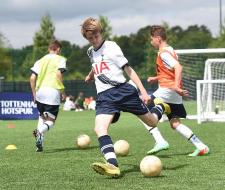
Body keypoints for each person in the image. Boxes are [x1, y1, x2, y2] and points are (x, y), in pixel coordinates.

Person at [81, 17, 171, 177]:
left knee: (152, 122)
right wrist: (90, 75)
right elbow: (96, 65)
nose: (94, 40)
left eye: (96, 36)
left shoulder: (111, 47)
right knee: (99, 128)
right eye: (90, 38)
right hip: (104, 97)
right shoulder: (90, 51)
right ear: (87, 38)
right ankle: (113, 165)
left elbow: (128, 70)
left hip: (123, 92)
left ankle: (161, 107)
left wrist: (143, 92)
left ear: (100, 33)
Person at [142, 25, 209, 157]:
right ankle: (201, 146)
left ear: (158, 38)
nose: (151, 42)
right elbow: (171, 71)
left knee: (143, 109)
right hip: (173, 92)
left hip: (168, 89)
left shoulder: (164, 53)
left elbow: (178, 67)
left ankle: (159, 140)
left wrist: (177, 86)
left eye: (152, 39)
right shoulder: (171, 50)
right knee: (175, 123)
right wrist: (156, 78)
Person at [30, 39, 67, 152]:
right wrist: (62, 91)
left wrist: (34, 95)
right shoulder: (61, 59)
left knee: (42, 117)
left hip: (40, 92)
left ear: (49, 48)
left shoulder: (39, 61)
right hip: (52, 91)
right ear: (59, 49)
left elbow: (32, 78)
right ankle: (40, 132)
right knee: (51, 120)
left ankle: (39, 145)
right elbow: (58, 74)